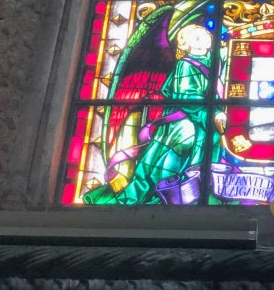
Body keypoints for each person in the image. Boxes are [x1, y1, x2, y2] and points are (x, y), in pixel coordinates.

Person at [83, 22, 214, 205]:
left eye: (205, 34)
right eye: (196, 37)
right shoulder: (185, 65)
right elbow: (187, 97)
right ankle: (163, 189)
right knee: (186, 139)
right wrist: (211, 112)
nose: (204, 38)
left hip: (203, 116)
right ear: (186, 45)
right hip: (185, 120)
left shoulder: (212, 62)